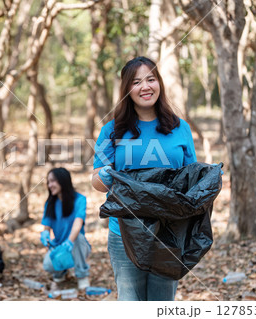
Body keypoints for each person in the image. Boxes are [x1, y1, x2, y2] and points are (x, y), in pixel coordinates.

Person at [91, 56, 197, 301]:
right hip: (125, 233)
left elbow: (190, 178)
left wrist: (208, 178)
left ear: (159, 82)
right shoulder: (112, 130)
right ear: (127, 89)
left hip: (169, 232)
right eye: (136, 82)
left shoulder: (180, 128)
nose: (145, 87)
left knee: (162, 303)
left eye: (151, 79)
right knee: (130, 302)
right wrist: (105, 175)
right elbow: (96, 180)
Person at [40, 168, 91, 290]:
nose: (50, 185)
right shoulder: (50, 203)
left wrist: (69, 241)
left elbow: (78, 223)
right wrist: (45, 234)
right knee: (47, 265)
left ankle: (82, 275)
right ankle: (60, 272)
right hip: (59, 246)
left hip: (77, 246)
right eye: (48, 182)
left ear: (63, 181)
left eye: (52, 181)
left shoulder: (80, 199)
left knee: (78, 237)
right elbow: (46, 227)